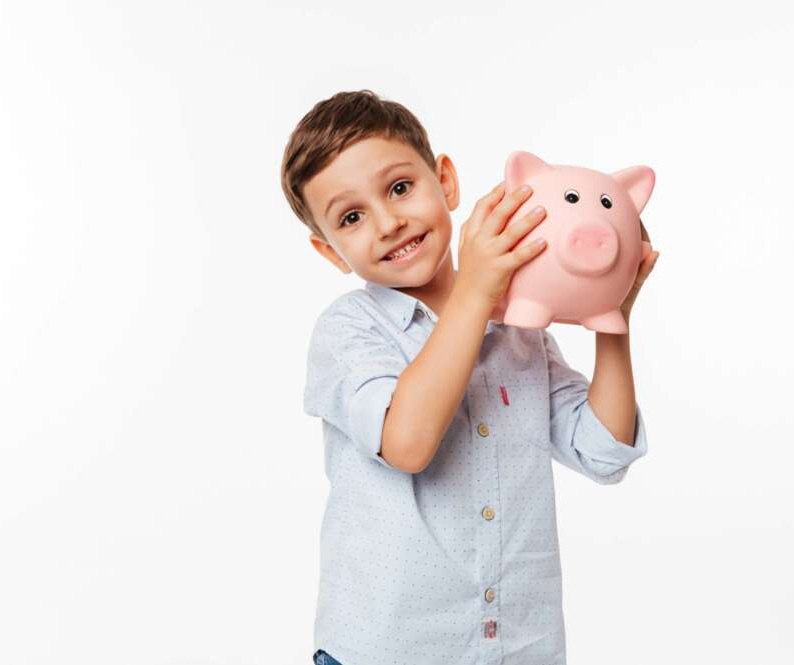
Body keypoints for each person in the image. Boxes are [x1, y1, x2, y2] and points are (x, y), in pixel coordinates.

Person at [280, 89, 659, 665]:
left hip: (518, 649)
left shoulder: (522, 334)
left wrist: (614, 320)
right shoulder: (347, 332)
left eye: (400, 188)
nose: (388, 222)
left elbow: (604, 451)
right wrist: (478, 291)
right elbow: (406, 443)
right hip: (387, 652)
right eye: (351, 217)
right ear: (330, 252)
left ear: (446, 182)